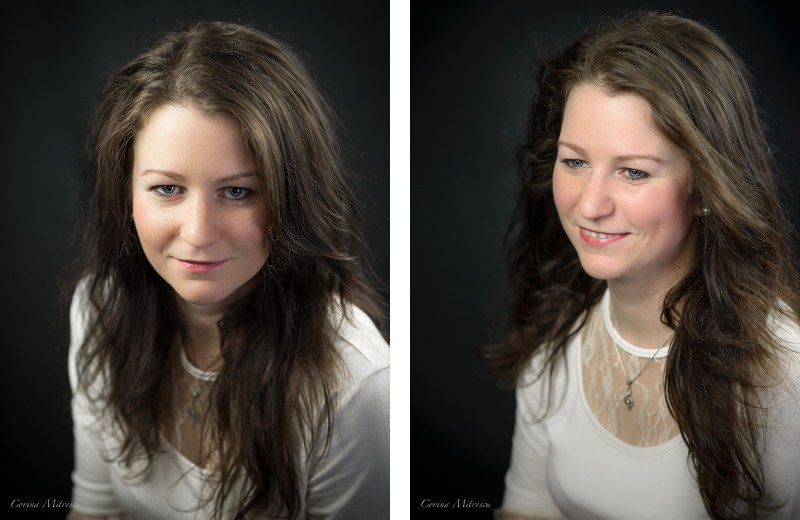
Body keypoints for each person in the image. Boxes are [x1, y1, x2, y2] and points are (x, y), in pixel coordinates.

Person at [483, 11, 800, 520]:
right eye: (575, 161)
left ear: (706, 186)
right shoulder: (554, 340)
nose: (590, 205)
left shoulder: (785, 376)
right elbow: (528, 506)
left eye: (633, 172)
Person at [66, 21, 389, 520]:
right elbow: (96, 508)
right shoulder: (100, 307)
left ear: (292, 199)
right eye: (167, 188)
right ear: (125, 193)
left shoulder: (356, 386)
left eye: (237, 191)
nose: (198, 232)